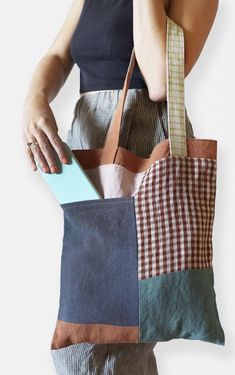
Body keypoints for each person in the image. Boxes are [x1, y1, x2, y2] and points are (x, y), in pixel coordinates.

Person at [21, 1, 219, 374]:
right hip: (90, 159)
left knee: (101, 342)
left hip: (141, 150)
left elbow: (160, 78)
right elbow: (58, 54)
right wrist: (34, 100)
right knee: (111, 338)